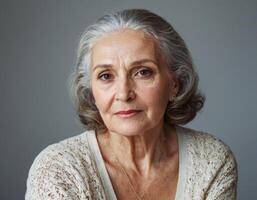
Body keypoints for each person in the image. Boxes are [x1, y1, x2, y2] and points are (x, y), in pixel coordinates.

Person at [25, 9, 238, 200]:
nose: (124, 94)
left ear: (175, 83)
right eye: (106, 76)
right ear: (91, 90)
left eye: (143, 72)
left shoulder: (211, 160)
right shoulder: (58, 169)